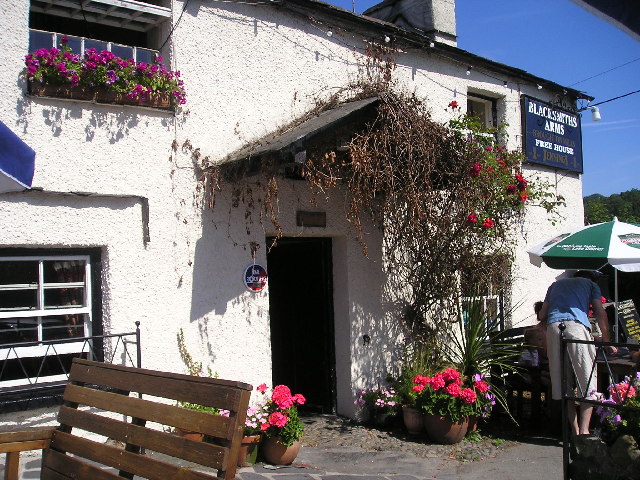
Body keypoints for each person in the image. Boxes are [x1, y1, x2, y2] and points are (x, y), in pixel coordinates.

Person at [538, 270, 617, 437]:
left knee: (563, 384)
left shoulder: (554, 285)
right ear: (592, 279)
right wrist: (606, 339)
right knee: (587, 380)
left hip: (554, 329)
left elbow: (542, 314)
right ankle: (584, 431)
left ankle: (574, 431)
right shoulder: (591, 285)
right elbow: (599, 312)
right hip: (576, 328)